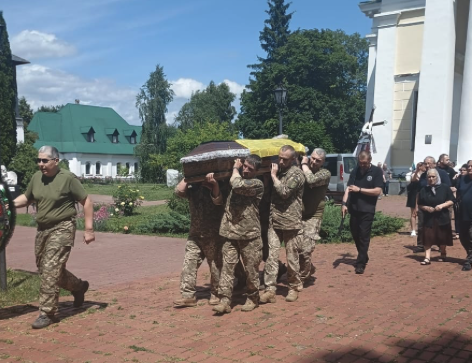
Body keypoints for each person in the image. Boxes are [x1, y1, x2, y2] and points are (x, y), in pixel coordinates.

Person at [13, 146, 95, 329]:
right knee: (47, 269)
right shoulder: (36, 178)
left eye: (45, 160)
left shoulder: (67, 179)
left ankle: (47, 313)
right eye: (39, 160)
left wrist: (89, 229)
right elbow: (27, 199)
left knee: (50, 268)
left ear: (56, 161)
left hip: (63, 227)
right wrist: (7, 205)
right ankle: (79, 287)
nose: (40, 164)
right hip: (43, 229)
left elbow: (87, 201)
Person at [213, 156, 264, 314]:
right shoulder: (236, 179)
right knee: (227, 269)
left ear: (256, 171)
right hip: (230, 233)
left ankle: (253, 298)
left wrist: (235, 168)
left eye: (250, 168)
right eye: (245, 166)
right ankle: (225, 300)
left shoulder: (257, 184)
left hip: (250, 235)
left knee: (251, 270)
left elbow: (236, 185)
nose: (246, 170)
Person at [260, 145, 305, 303]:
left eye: (284, 159)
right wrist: (268, 179)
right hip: (275, 222)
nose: (280, 161)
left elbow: (285, 192)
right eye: (279, 158)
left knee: (292, 258)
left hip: (291, 223)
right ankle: (269, 289)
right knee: (271, 257)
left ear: (293, 159)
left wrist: (273, 177)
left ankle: (293, 287)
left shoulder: (297, 174)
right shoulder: (279, 172)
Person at [173, 173, 225, 308]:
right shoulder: (193, 189)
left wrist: (213, 184)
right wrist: (189, 176)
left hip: (213, 234)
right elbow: (178, 191)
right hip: (195, 234)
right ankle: (187, 296)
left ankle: (216, 293)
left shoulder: (220, 184)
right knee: (189, 263)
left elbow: (218, 200)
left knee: (215, 266)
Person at [341, 151, 383, 274]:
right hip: (354, 208)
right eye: (360, 163)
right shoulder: (355, 171)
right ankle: (363, 255)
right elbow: (349, 189)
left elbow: (377, 191)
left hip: (367, 209)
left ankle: (360, 263)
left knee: (364, 236)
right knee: (355, 234)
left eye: (364, 163)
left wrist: (359, 190)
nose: (362, 165)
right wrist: (344, 204)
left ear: (370, 160)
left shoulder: (376, 172)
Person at [299, 148, 330, 285]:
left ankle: (302, 277)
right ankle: (308, 268)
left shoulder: (325, 173)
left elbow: (311, 180)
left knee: (306, 249)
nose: (314, 162)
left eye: (318, 160)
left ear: (323, 162)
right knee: (297, 248)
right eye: (312, 158)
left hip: (314, 216)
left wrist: (304, 165)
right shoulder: (301, 170)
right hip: (299, 215)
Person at [417, 168, 454, 265]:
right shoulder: (424, 190)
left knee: (442, 237)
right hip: (429, 217)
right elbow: (420, 204)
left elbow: (451, 200)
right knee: (427, 237)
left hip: (442, 216)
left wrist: (441, 206)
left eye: (433, 176)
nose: (431, 178)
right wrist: (426, 208)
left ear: (437, 177)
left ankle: (443, 252)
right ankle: (427, 257)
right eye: (429, 177)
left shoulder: (445, 188)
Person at [414, 156, 451, 253]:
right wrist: (416, 206)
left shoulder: (442, 174)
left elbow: (448, 188)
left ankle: (440, 245)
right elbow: (418, 191)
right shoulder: (423, 176)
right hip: (424, 205)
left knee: (439, 226)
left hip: (439, 205)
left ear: (434, 164)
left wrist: (444, 204)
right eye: (425, 163)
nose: (427, 165)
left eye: (429, 163)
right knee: (422, 225)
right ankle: (421, 244)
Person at [458, 161, 472, 271]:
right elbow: (458, 192)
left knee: (471, 236)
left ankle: (468, 260)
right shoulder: (463, 179)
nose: (470, 168)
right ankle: (469, 254)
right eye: (469, 166)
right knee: (463, 236)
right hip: (463, 212)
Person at [406, 162, 426, 237]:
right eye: (424, 166)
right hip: (414, 195)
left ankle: (422, 229)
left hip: (423, 195)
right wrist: (417, 170)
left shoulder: (426, 175)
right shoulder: (414, 174)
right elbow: (413, 179)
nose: (425, 167)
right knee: (413, 213)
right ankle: (413, 230)